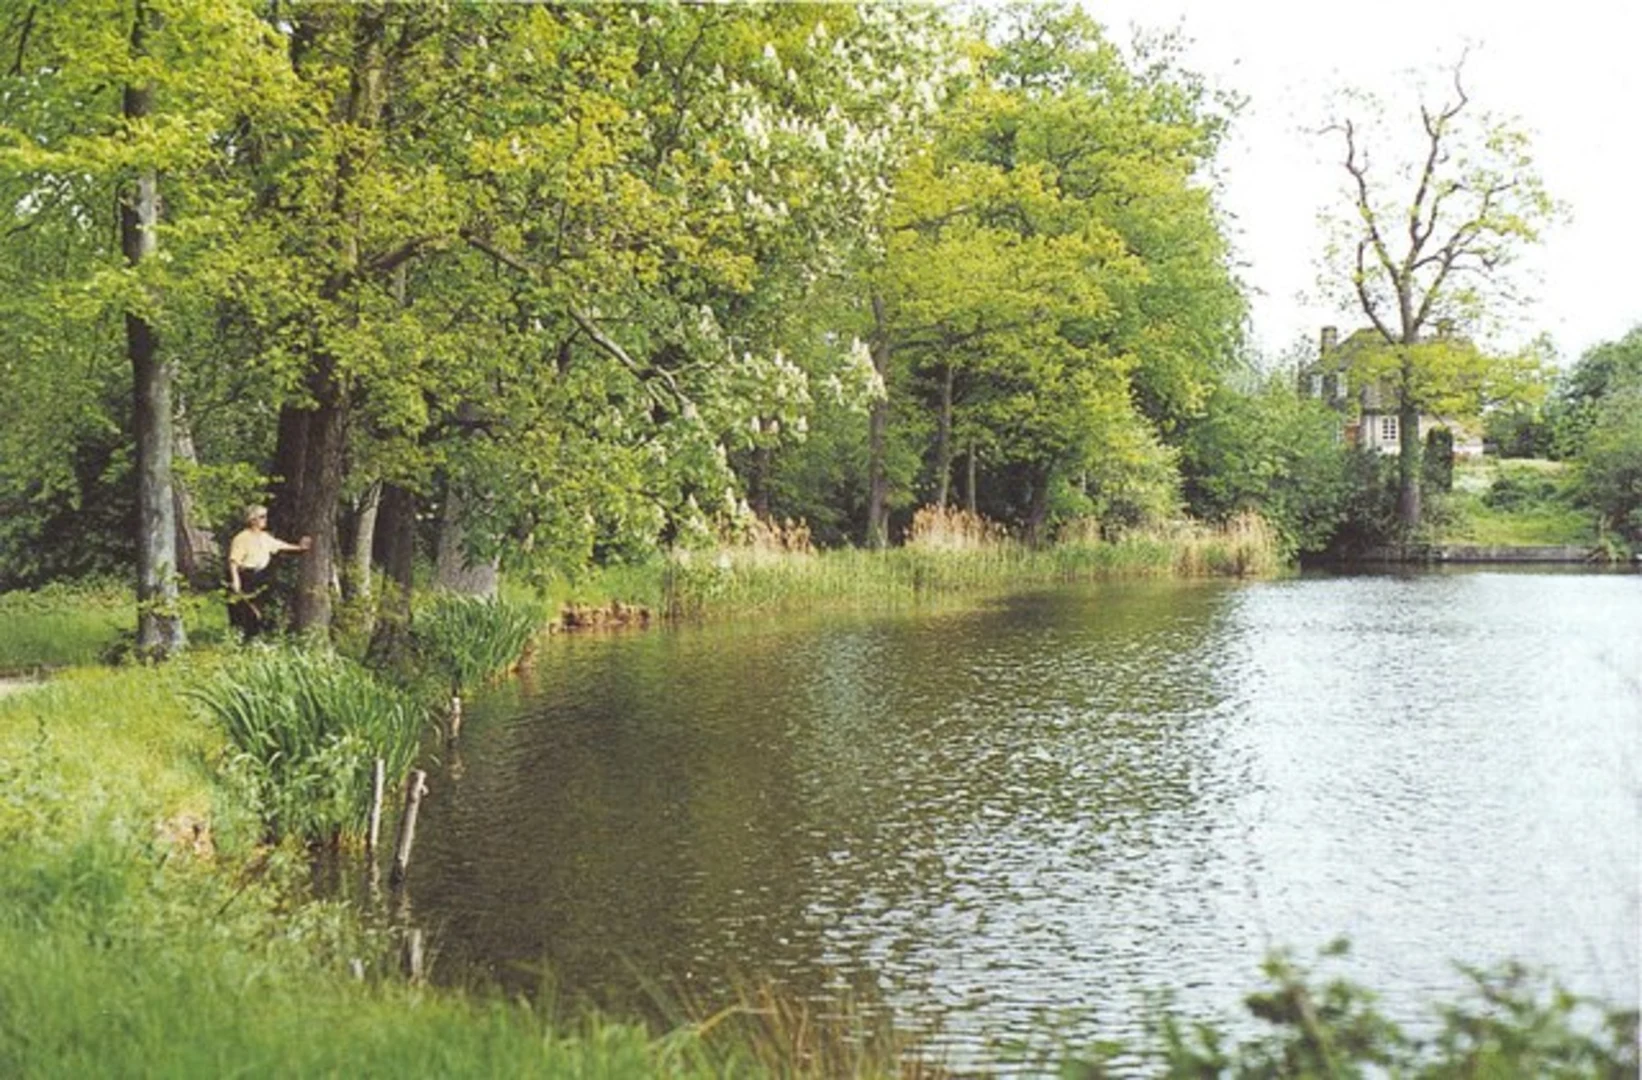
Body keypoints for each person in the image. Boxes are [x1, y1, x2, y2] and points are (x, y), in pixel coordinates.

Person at [227, 505, 310, 639]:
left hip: (261, 576)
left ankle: (259, 638)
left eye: (265, 516)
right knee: (246, 612)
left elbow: (280, 545)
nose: (265, 520)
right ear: (252, 520)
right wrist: (236, 580)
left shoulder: (264, 537)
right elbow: (233, 561)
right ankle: (243, 641)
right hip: (246, 576)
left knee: (262, 610)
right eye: (261, 517)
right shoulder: (242, 538)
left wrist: (299, 548)